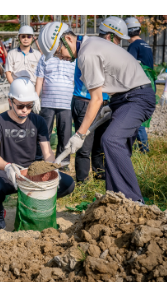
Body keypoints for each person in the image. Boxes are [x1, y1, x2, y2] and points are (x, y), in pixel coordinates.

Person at [38, 20, 155, 204]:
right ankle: (116, 201)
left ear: (68, 38)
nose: (60, 57)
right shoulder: (90, 44)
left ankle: (134, 201)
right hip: (123, 98)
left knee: (110, 140)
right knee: (118, 148)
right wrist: (113, 105)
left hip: (137, 98)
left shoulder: (87, 53)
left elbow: (97, 99)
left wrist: (80, 134)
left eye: (58, 52)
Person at [0, 77, 75, 230]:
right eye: (20, 106)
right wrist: (7, 166)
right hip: (8, 172)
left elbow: (47, 151)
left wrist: (51, 167)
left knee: (67, 184)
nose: (25, 110)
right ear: (10, 101)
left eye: (29, 105)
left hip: (33, 172)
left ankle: (34, 202)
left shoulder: (37, 121)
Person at [70, 16, 129, 183]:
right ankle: (82, 182)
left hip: (102, 102)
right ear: (110, 36)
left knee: (100, 142)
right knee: (84, 144)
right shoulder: (92, 50)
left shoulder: (101, 49)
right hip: (85, 102)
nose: (119, 44)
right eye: (118, 39)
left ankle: (99, 174)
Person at [35, 51, 76, 167]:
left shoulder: (73, 58)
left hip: (66, 103)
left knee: (65, 134)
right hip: (47, 102)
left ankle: (63, 163)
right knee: (44, 133)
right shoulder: (45, 57)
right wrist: (36, 97)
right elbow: (39, 78)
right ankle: (42, 161)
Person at [126, 17, 154, 153]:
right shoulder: (146, 45)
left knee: (137, 119)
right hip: (149, 84)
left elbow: (128, 66)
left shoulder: (133, 46)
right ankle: (141, 148)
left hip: (139, 84)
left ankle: (144, 150)